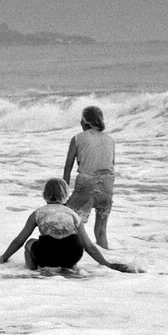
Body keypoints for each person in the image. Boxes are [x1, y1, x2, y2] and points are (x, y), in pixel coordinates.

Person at [0, 178, 138, 273]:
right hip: (71, 253)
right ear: (66, 196)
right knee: (72, 241)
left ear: (44, 195)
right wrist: (107, 264)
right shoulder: (73, 214)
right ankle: (71, 269)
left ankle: (34, 271)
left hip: (47, 254)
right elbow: (89, 247)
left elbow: (19, 240)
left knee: (29, 242)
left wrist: (3, 257)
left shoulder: (38, 213)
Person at [63, 105, 115, 249]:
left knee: (69, 225)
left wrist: (64, 194)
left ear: (85, 121)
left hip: (86, 185)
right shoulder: (110, 140)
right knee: (101, 232)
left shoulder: (78, 138)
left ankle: (71, 265)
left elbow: (68, 168)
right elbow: (111, 165)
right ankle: (105, 267)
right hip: (107, 187)